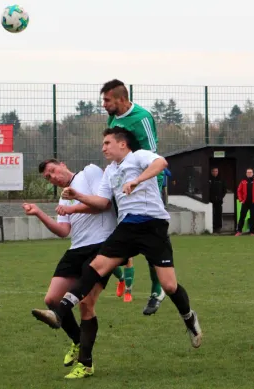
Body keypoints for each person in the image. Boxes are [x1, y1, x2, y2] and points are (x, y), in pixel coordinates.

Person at [31, 127, 203, 350]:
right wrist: (77, 196)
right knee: (95, 267)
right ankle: (60, 312)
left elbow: (161, 163)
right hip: (127, 227)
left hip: (153, 225)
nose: (103, 148)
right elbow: (102, 203)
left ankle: (189, 318)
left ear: (122, 144)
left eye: (107, 143)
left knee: (169, 286)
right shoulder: (110, 171)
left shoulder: (138, 156)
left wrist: (136, 181)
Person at [27, 159, 117, 379]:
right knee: (51, 299)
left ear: (62, 164)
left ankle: (86, 364)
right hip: (76, 248)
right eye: (48, 177)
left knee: (86, 304)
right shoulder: (63, 197)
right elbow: (63, 231)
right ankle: (77, 341)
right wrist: (39, 213)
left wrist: (74, 203)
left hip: (101, 246)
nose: (53, 177)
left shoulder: (89, 173)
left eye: (53, 171)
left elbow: (103, 204)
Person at [101, 79, 165, 314]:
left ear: (121, 98)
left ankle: (158, 289)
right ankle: (115, 281)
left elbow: (152, 155)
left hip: (146, 190)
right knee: (116, 240)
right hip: (123, 189)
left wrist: (149, 185)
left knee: (151, 243)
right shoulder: (113, 119)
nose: (104, 104)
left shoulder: (142, 118)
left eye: (107, 100)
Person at [236, 168, 254, 236]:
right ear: (246, 174)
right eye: (248, 172)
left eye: (250, 172)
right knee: (242, 217)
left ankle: (252, 232)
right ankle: (239, 231)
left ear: (253, 173)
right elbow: (239, 191)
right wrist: (240, 200)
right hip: (245, 203)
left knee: (253, 217)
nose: (249, 173)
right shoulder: (243, 181)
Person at [209, 167, 227, 234]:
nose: (215, 172)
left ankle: (218, 228)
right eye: (213, 171)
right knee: (212, 214)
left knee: (218, 214)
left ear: (218, 172)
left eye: (216, 171)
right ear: (211, 172)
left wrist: (220, 197)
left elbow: (224, 190)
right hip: (210, 201)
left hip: (219, 201)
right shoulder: (209, 180)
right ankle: (212, 228)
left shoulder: (221, 180)